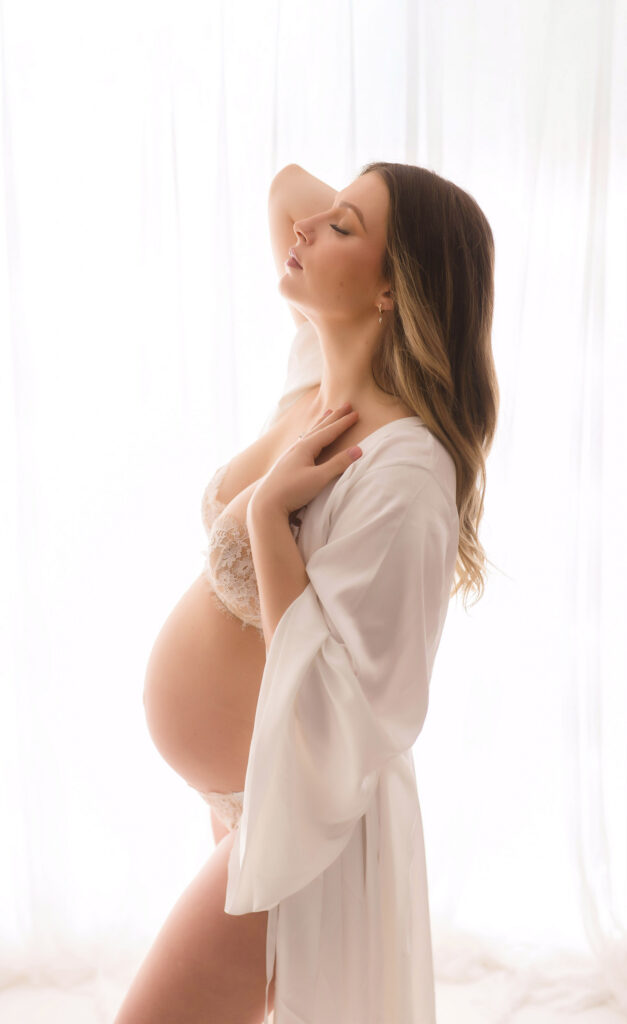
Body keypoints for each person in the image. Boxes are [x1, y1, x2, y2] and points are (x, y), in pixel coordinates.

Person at [116, 162, 498, 1024]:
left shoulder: (404, 468)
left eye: (341, 228)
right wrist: (350, 224)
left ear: (395, 286)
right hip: (249, 790)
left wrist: (266, 523)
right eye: (324, 221)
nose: (304, 229)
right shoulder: (312, 380)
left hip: (302, 825)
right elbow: (288, 187)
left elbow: (349, 703)